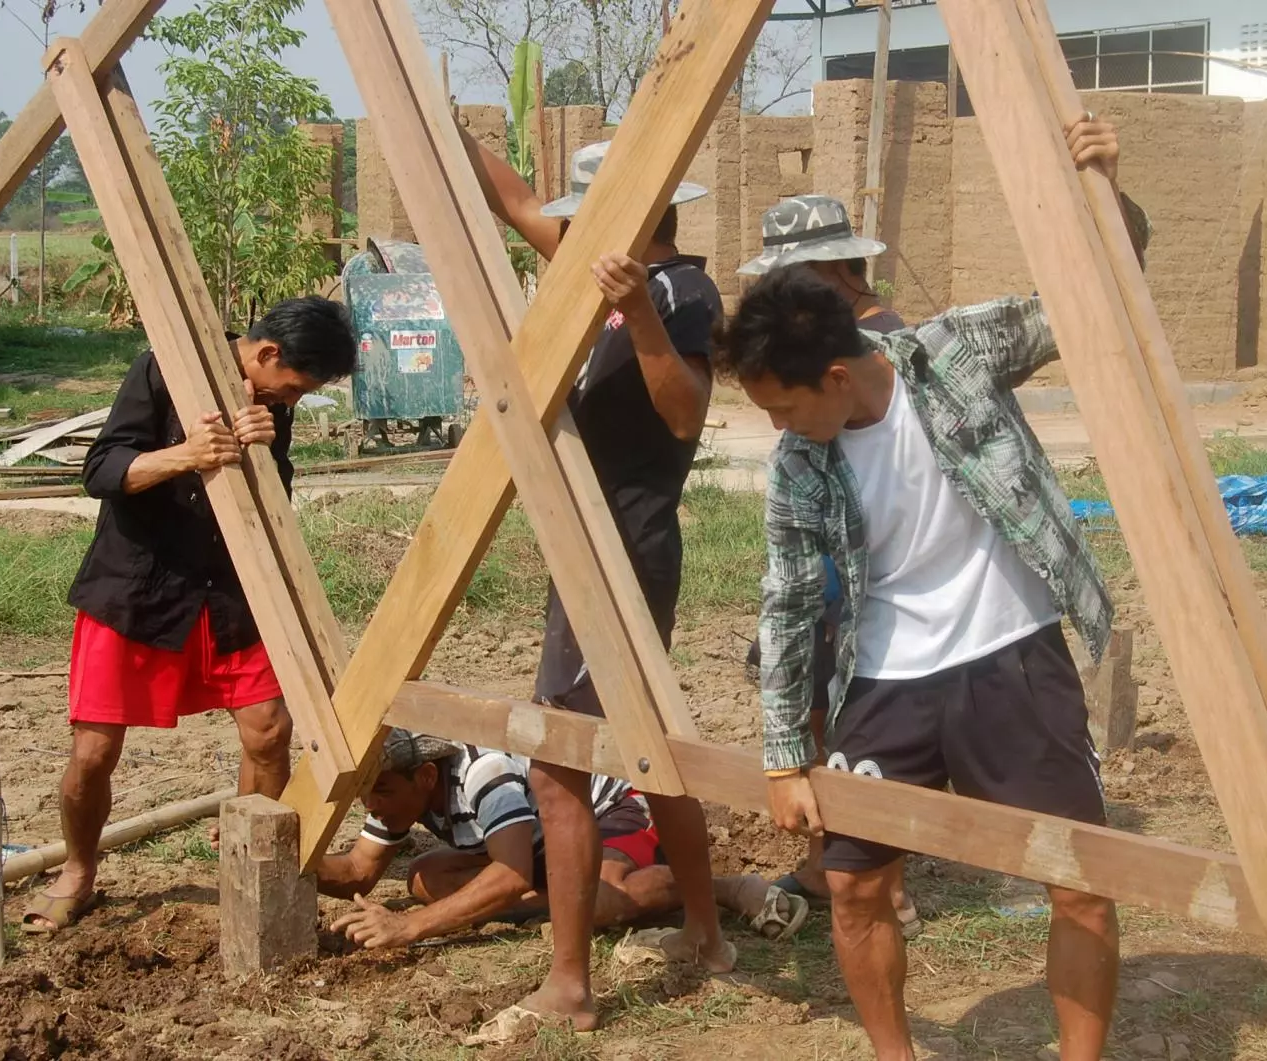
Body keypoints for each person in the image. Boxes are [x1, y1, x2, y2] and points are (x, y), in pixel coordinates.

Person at [709, 118, 1148, 1061]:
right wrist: (786, 754)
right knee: (856, 883)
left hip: (1011, 656)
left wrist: (1106, 195)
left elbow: (1086, 298)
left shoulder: (955, 356)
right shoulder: (799, 465)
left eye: (785, 406)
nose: (779, 427)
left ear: (834, 375)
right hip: (885, 682)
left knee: (1078, 878)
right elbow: (787, 602)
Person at [463, 137, 732, 1037]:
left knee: (559, 759)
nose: (567, 229)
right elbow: (516, 202)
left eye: (589, 215)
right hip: (594, 544)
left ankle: (571, 985)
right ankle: (705, 930)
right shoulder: (608, 272)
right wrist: (444, 125)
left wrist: (640, 316)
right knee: (652, 742)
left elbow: (687, 411)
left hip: (622, 550)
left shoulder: (681, 294)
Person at [25, 297, 357, 933]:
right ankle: (78, 870)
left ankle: (254, 868)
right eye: (292, 387)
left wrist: (269, 453)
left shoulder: (270, 403)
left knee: (268, 731)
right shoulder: (160, 370)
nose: (290, 401)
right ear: (267, 354)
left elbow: (270, 499)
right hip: (138, 590)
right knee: (93, 751)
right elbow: (102, 470)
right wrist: (185, 453)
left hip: (231, 592)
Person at [738, 193, 921, 936]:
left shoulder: (878, 345)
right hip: (827, 566)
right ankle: (835, 852)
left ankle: (874, 871)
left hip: (865, 580)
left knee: (851, 712)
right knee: (816, 704)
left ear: (840, 270)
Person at [317, 730, 807, 961]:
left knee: (598, 900)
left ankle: (721, 888)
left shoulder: (485, 777)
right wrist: (295, 863)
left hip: (609, 810)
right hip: (538, 842)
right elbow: (360, 871)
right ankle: (556, 901)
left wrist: (408, 927)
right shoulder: (400, 794)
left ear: (425, 776)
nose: (372, 805)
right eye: (368, 794)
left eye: (380, 792)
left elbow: (509, 874)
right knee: (426, 877)